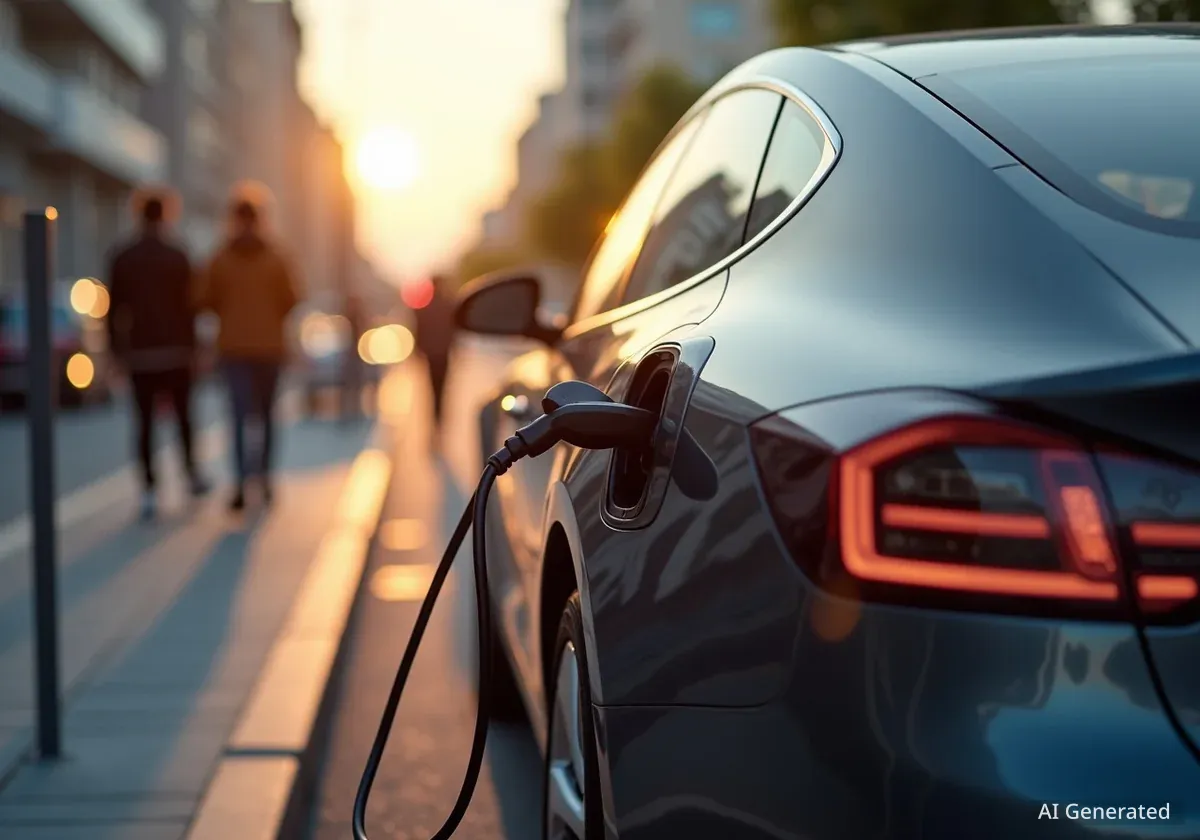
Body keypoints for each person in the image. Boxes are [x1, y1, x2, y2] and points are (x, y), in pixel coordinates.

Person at [194, 197, 301, 511]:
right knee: (266, 417)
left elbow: (203, 297)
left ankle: (241, 482)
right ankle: (264, 479)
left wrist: (230, 313)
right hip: (269, 347)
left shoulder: (221, 257)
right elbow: (292, 298)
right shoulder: (277, 257)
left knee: (240, 416)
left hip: (234, 348)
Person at [107, 190, 209, 520]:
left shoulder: (123, 256)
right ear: (166, 214)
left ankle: (150, 489)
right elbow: (191, 308)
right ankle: (190, 476)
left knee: (144, 422)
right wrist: (195, 349)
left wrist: (116, 352)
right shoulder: (177, 255)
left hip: (140, 353)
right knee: (183, 418)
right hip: (177, 351)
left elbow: (113, 311)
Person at [412, 274, 456, 433]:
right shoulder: (448, 305)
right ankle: (439, 417)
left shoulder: (426, 308)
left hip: (432, 353)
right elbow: (454, 331)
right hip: (442, 353)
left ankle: (436, 418)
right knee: (441, 387)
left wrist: (418, 351)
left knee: (434, 388)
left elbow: (419, 330)